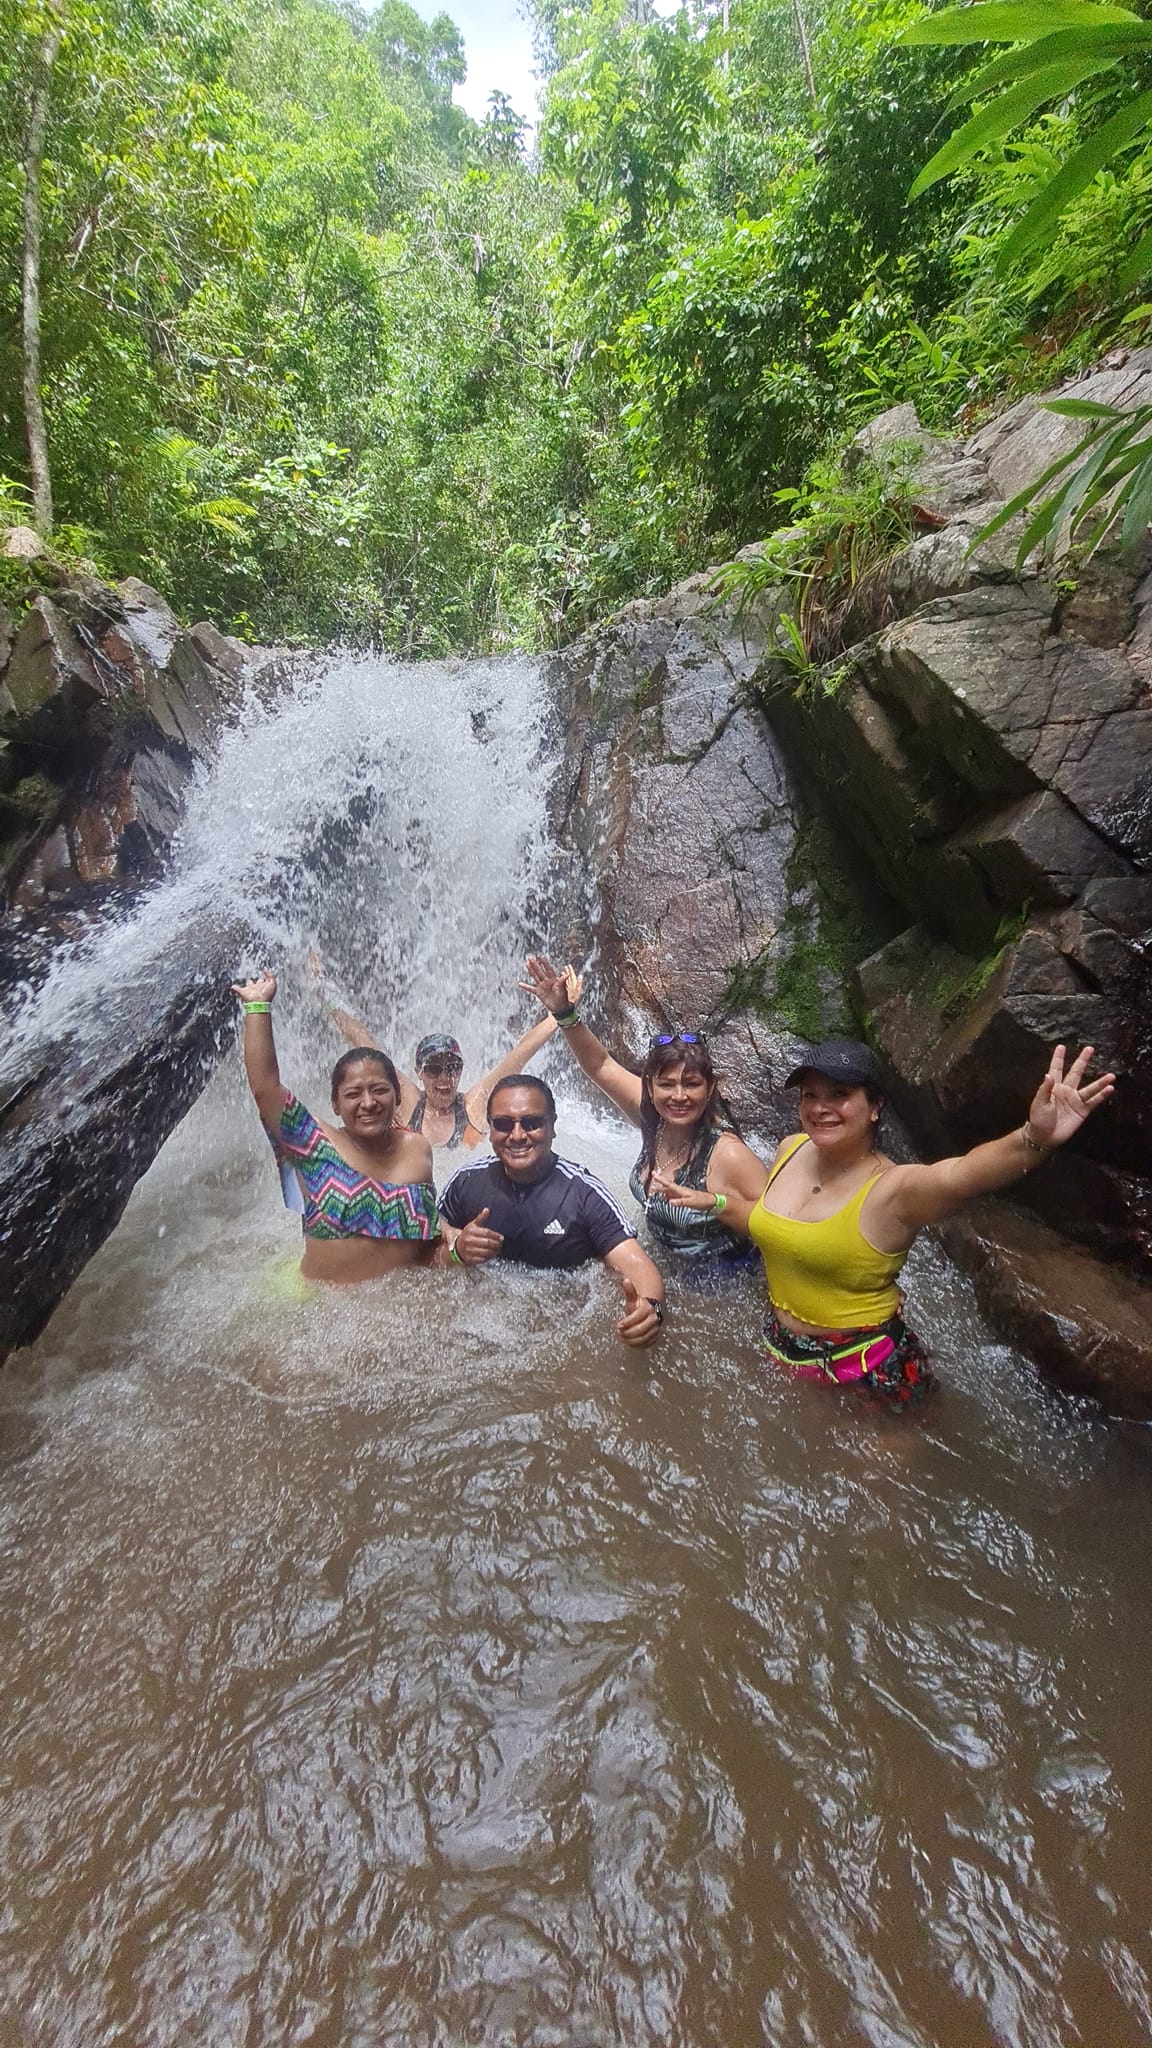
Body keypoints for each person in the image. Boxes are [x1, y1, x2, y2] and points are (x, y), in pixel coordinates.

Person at [651, 1037, 1115, 1403]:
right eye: (810, 1094)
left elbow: (962, 1175)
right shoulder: (790, 1149)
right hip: (782, 1348)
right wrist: (711, 1202)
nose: (819, 1107)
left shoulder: (895, 1190)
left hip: (867, 1370)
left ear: (874, 1107)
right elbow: (772, 1224)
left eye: (839, 1094)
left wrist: (1034, 1138)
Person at [518, 955, 768, 1277]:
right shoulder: (653, 1118)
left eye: (691, 1084)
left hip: (721, 1284)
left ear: (709, 1089)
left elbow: (778, 1226)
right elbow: (600, 1066)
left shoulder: (727, 1153)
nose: (679, 1096)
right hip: (661, 1264)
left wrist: (715, 1202)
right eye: (667, 1084)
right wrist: (565, 1014)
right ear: (650, 1086)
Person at [232, 970, 440, 1282]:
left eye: (379, 1090)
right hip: (320, 1305)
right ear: (335, 1104)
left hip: (395, 1309)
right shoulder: (314, 1141)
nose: (368, 1103)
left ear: (397, 1096)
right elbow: (266, 1089)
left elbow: (423, 1239)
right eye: (353, 1094)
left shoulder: (418, 1148)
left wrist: (456, 1247)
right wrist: (258, 1007)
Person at [438, 1074, 666, 1349]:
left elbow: (638, 1266)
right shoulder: (467, 1182)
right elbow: (423, 1254)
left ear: (552, 1127)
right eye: (503, 1124)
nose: (518, 1135)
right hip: (478, 1331)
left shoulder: (583, 1193)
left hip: (559, 1336)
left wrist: (651, 1310)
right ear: (490, 1129)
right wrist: (456, 1252)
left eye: (532, 1123)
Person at [310, 953, 582, 1151]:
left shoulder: (473, 1107)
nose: (444, 1077)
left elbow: (519, 1054)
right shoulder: (406, 1102)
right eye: (433, 1069)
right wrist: (324, 997)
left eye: (452, 1067)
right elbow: (362, 1040)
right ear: (419, 1072)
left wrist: (562, 1012)